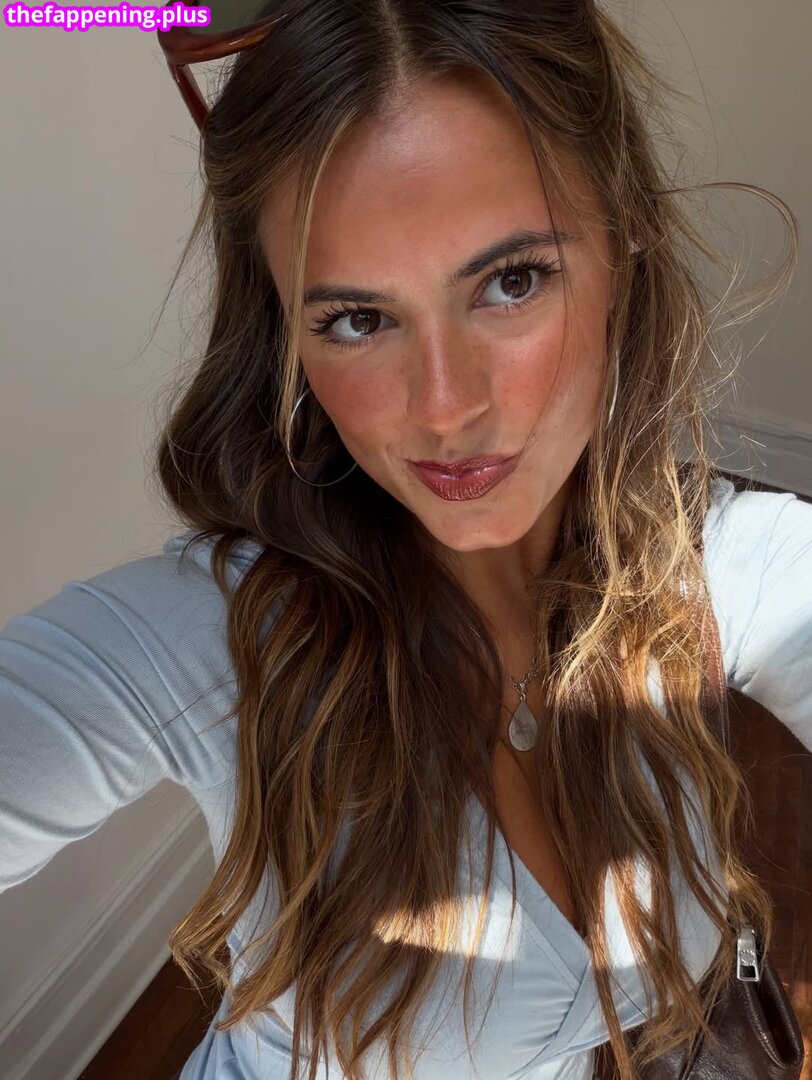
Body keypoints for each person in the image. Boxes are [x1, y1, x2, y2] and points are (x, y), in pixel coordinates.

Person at [1, 1, 810, 1078]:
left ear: (623, 245)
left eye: (511, 281)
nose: (443, 407)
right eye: (357, 319)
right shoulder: (210, 640)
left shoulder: (714, 564)